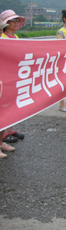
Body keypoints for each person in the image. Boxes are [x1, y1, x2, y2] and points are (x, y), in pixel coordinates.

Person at [0, 10, 26, 145]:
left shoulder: (16, 38)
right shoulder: (2, 38)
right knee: (3, 106)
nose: (16, 23)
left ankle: (9, 129)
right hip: (4, 77)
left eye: (17, 20)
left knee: (11, 104)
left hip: (15, 75)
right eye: (12, 20)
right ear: (6, 23)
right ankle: (3, 133)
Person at [0, 19, 16, 158]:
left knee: (3, 113)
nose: (1, 31)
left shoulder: (5, 41)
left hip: (5, 82)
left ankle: (0, 142)